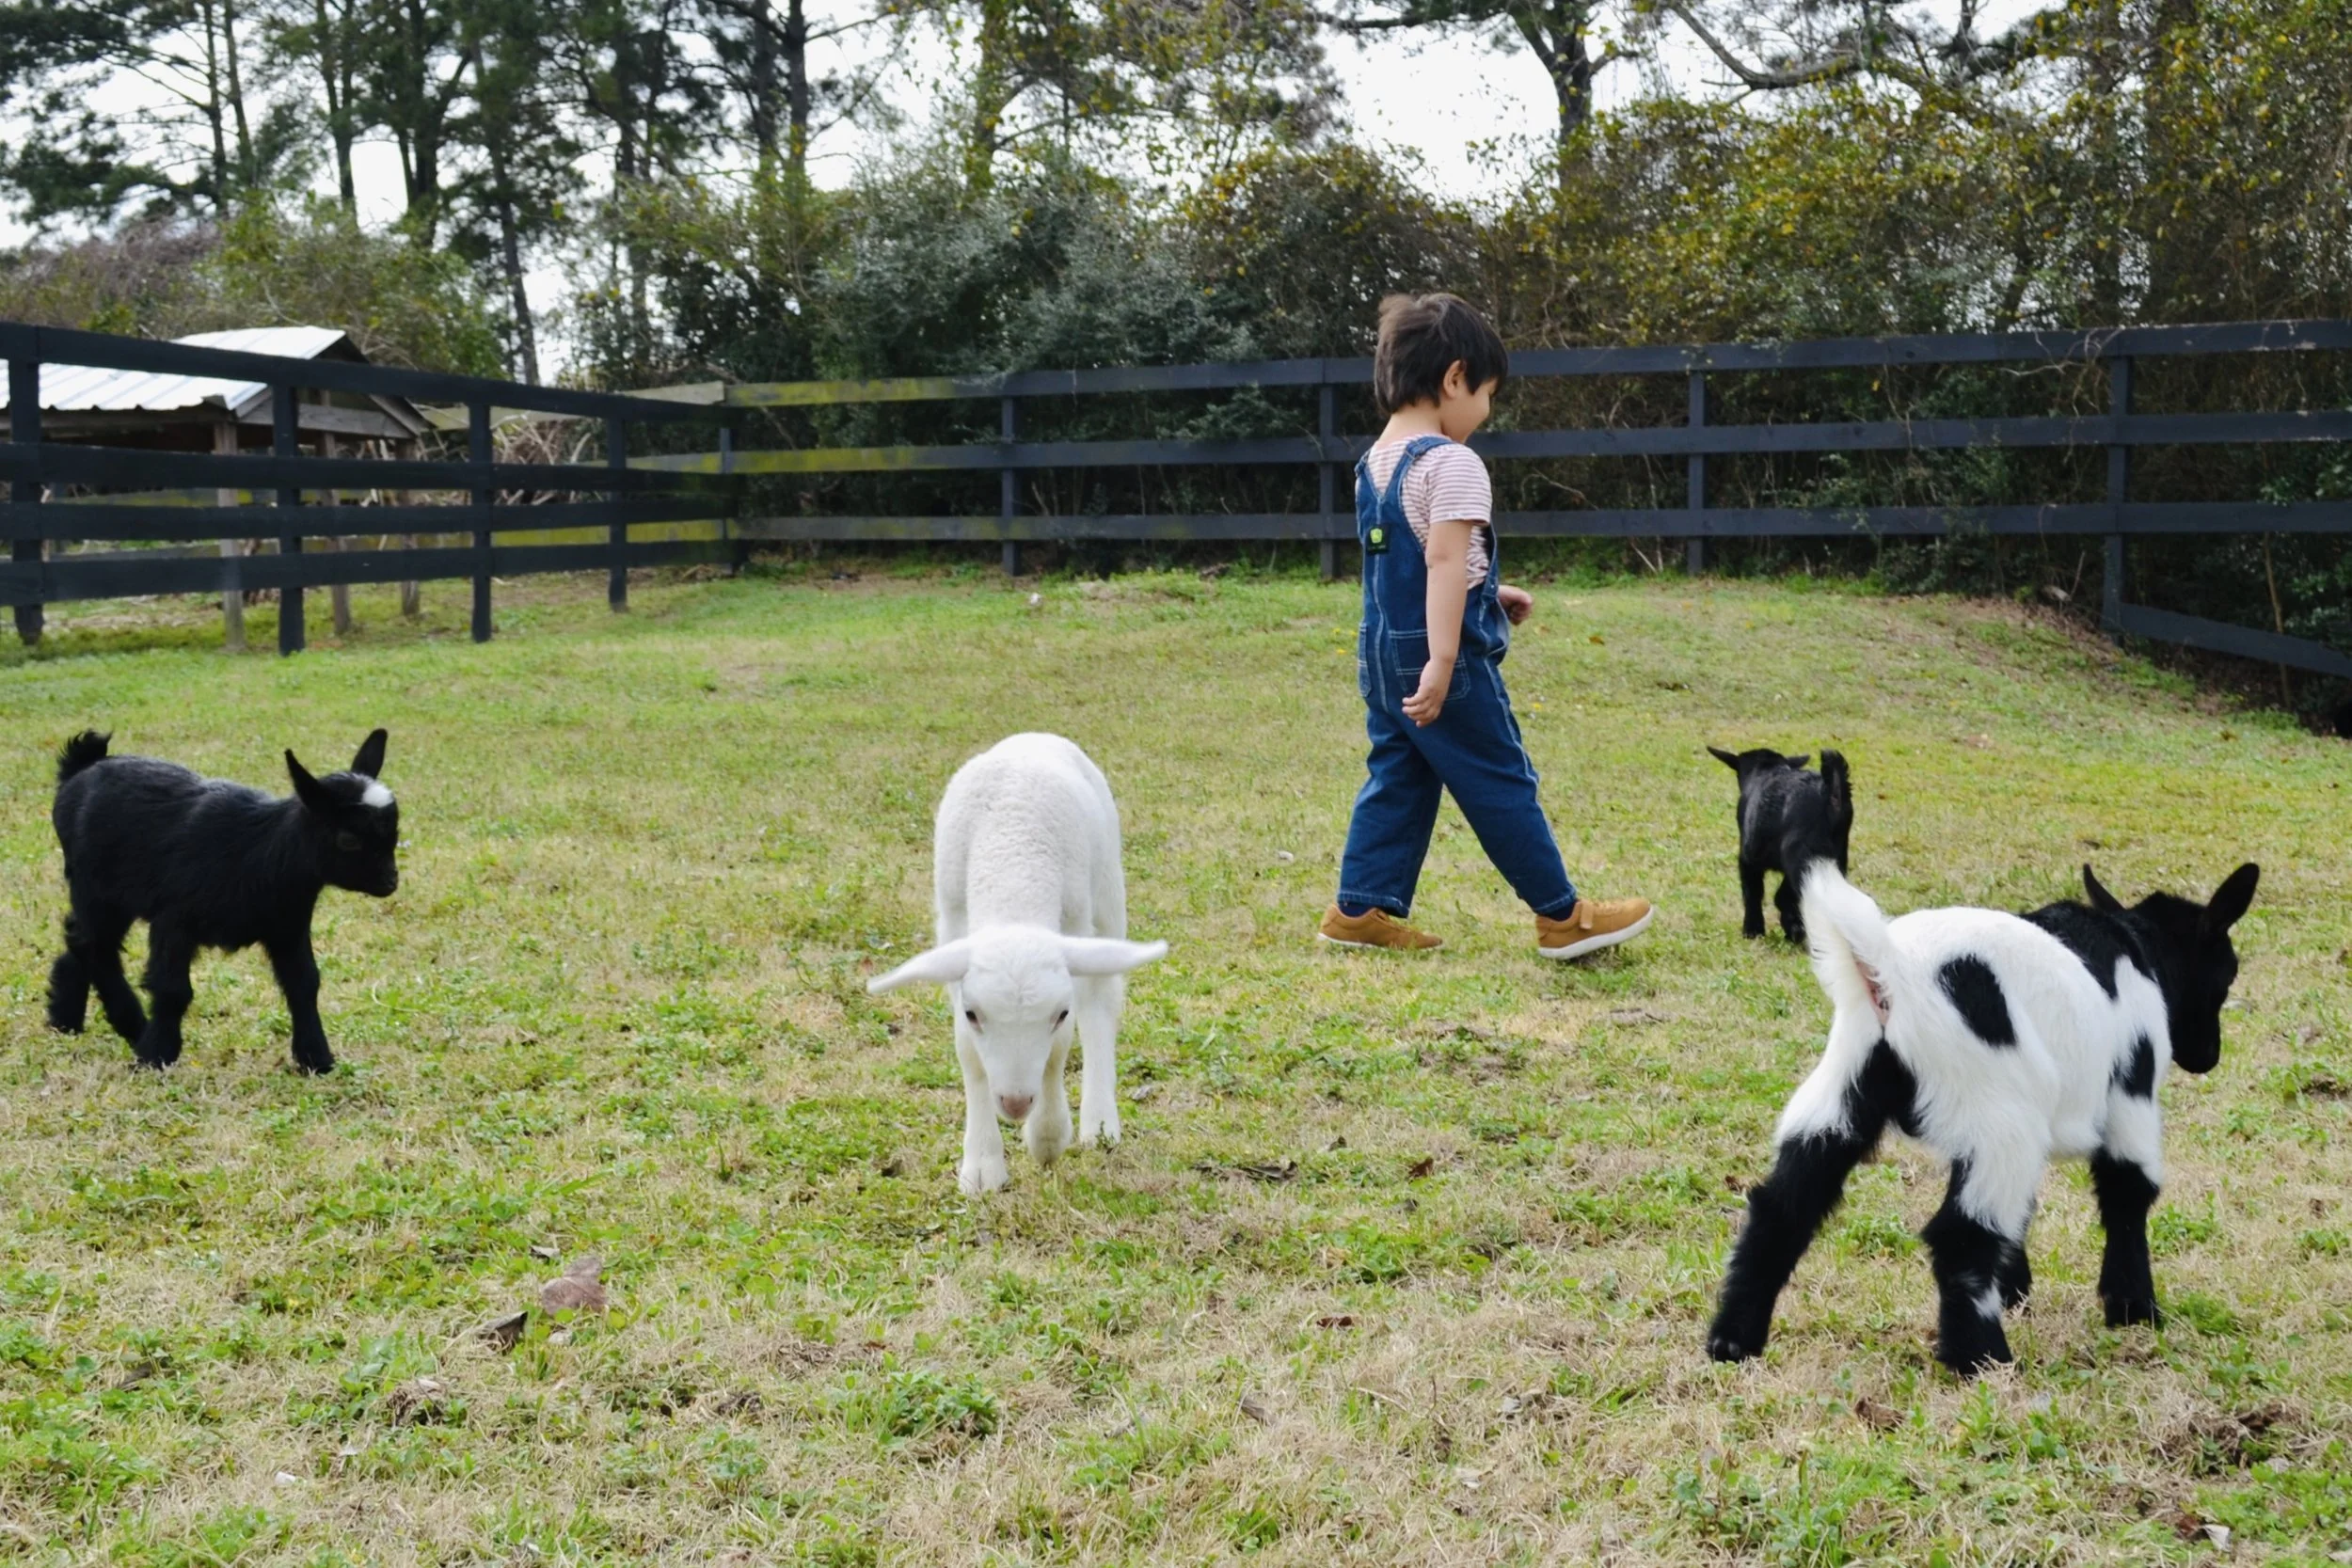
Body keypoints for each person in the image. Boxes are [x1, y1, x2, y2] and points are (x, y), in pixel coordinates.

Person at [1318, 293, 1654, 959]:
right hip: (1446, 663)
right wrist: (1444, 660)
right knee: (1499, 774)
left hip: (1381, 658)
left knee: (1399, 774)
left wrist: (1487, 593)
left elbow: (1417, 565)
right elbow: (1442, 558)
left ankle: (1360, 907)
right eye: (1488, 393)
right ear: (1453, 378)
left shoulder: (1373, 465)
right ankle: (1563, 916)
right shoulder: (1452, 462)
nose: (1487, 411)